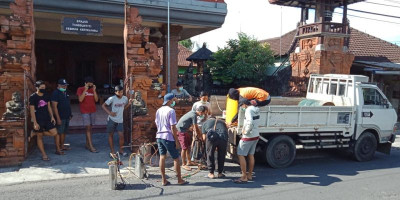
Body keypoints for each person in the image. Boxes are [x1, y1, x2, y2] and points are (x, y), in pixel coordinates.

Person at [155, 93, 188, 186]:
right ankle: (179, 179)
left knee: (162, 157)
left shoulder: (158, 110)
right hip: (168, 137)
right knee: (176, 158)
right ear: (169, 101)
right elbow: (173, 127)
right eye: (173, 100)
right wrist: (176, 141)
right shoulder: (171, 111)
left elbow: (157, 124)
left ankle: (163, 180)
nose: (174, 101)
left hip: (159, 136)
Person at [29, 80, 64, 161]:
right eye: (41, 88)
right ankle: (44, 154)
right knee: (40, 137)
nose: (43, 89)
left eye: (44, 88)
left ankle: (35, 133)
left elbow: (49, 107)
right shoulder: (33, 97)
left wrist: (52, 117)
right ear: (37, 88)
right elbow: (32, 111)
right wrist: (35, 122)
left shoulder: (46, 95)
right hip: (38, 119)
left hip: (47, 118)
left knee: (54, 132)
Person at [102, 85, 133, 157]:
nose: (121, 93)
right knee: (110, 135)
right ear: (115, 92)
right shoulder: (112, 98)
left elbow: (123, 108)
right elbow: (103, 105)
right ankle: (112, 152)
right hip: (112, 120)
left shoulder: (125, 98)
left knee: (121, 136)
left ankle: (121, 150)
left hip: (120, 120)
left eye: (122, 92)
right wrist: (110, 113)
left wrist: (129, 104)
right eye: (119, 92)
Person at [234, 98, 260, 184]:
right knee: (251, 155)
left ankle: (244, 176)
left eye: (241, 106)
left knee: (240, 154)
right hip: (256, 135)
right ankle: (249, 175)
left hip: (248, 136)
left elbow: (250, 121)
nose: (242, 108)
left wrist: (246, 131)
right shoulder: (256, 109)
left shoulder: (248, 110)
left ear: (244, 104)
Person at [176, 106, 207, 171]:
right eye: (204, 113)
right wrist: (200, 135)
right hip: (181, 131)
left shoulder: (192, 113)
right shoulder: (194, 115)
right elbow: (195, 127)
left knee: (188, 147)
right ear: (201, 112)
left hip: (185, 130)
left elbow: (193, 126)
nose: (203, 115)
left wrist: (198, 133)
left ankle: (189, 161)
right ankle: (184, 164)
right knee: (184, 148)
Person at [76, 76, 99, 153]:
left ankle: (87, 144)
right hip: (85, 111)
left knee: (89, 128)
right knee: (88, 128)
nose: (90, 86)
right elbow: (80, 99)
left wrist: (94, 91)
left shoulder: (93, 90)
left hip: (92, 110)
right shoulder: (80, 89)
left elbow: (96, 100)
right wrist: (85, 90)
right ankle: (91, 146)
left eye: (91, 84)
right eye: (88, 84)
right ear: (85, 83)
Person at [51, 78, 72, 151]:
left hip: (66, 116)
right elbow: (54, 107)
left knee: (64, 131)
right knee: (59, 132)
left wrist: (70, 114)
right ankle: (58, 147)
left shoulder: (66, 92)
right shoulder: (55, 93)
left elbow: (68, 104)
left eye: (65, 85)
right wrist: (58, 118)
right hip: (60, 116)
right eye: (63, 85)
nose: (64, 87)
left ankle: (62, 145)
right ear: (58, 85)